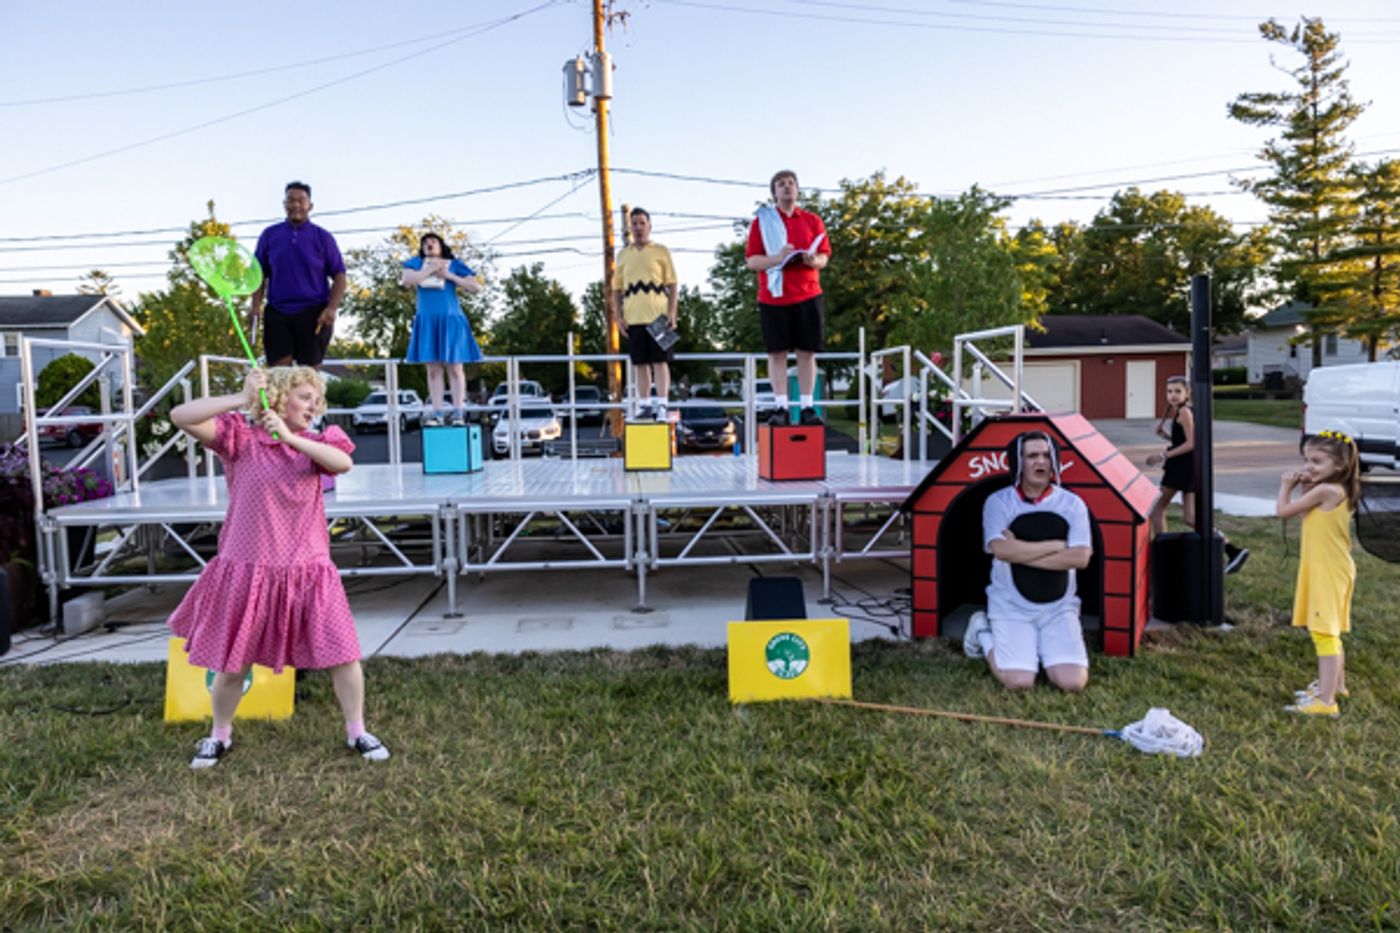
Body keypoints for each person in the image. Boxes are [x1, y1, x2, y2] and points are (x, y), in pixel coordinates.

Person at [166, 366, 389, 768]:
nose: (314, 405)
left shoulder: (320, 441)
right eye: (305, 397)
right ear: (280, 396)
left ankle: (358, 731)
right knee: (232, 665)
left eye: (316, 400)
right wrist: (243, 398)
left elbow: (342, 463)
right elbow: (181, 416)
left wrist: (288, 438)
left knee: (343, 656)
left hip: (308, 569)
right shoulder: (240, 438)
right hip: (248, 569)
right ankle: (219, 735)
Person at [963, 431, 1093, 692]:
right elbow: (1001, 551)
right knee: (1019, 682)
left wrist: (1020, 551)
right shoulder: (998, 503)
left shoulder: (1072, 504)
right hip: (1011, 606)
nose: (1040, 462)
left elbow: (1080, 558)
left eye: (1046, 455)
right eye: (1032, 455)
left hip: (1059, 608)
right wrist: (1056, 546)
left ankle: (1041, 648)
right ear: (1018, 462)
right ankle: (981, 630)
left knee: (1073, 683)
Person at [1276, 430, 1360, 717]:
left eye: (1317, 461)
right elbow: (1304, 515)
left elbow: (1283, 511)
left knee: (1324, 634)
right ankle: (1336, 687)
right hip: (1329, 567)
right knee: (1331, 631)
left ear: (1339, 465)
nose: (1309, 466)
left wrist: (1286, 486)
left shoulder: (1328, 490)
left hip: (1328, 570)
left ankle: (1325, 703)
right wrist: (1305, 486)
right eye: (1306, 460)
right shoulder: (1335, 488)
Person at [744, 170, 831, 426]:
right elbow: (752, 260)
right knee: (777, 353)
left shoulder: (812, 220)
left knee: (807, 352)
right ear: (774, 192)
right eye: (781, 184)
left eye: (791, 183)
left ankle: (807, 407)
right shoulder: (763, 221)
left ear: (798, 190)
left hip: (808, 292)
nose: (787, 188)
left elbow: (824, 255)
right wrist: (778, 259)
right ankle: (781, 406)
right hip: (774, 296)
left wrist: (814, 260)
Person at [1145, 375, 1249, 573]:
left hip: (1182, 467)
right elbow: (1183, 440)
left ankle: (1163, 553)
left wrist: (1162, 455)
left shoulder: (1184, 412)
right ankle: (1231, 549)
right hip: (1188, 466)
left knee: (1157, 507)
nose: (1173, 395)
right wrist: (1166, 436)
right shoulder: (1180, 412)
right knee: (1190, 517)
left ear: (1188, 393)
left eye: (1177, 391)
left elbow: (1192, 443)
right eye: (1169, 391)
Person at [249, 181, 346, 369]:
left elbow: (340, 275)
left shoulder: (323, 237)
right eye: (291, 200)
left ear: (310, 206)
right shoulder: (269, 235)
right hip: (278, 311)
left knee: (307, 376)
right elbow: (258, 274)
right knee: (279, 375)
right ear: (284, 204)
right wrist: (255, 307)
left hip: (314, 313)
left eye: (301, 201)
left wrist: (332, 308)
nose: (296, 205)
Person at [401, 232, 483, 426]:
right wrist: (428, 270)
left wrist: (448, 275)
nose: (429, 244)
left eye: (434, 241)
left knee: (455, 366)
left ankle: (458, 412)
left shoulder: (453, 263)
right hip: (427, 320)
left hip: (451, 319)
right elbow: (407, 281)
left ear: (441, 245)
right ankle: (437, 412)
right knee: (433, 369)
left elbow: (475, 287)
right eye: (425, 242)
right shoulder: (415, 263)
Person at [610, 207, 677, 420]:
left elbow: (673, 285)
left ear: (649, 226)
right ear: (629, 227)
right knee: (639, 363)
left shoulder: (661, 251)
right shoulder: (623, 255)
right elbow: (616, 290)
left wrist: (672, 313)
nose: (638, 227)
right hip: (633, 317)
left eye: (642, 223)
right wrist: (618, 318)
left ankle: (663, 405)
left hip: (659, 316)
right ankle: (645, 404)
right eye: (634, 224)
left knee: (661, 361)